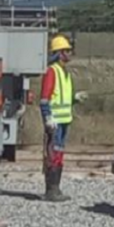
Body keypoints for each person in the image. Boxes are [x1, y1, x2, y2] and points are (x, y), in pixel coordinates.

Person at [40, 34, 81, 202]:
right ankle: (51, 190)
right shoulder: (52, 71)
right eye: (67, 50)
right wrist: (48, 117)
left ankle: (56, 188)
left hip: (64, 120)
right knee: (52, 154)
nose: (70, 53)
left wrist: (75, 98)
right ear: (60, 53)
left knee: (59, 154)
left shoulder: (65, 73)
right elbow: (45, 99)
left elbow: (63, 97)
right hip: (55, 121)